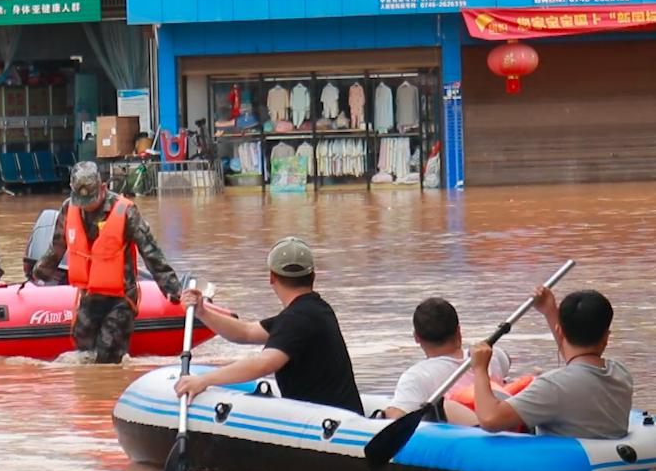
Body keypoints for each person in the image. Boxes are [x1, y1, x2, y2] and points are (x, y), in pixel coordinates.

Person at [175, 237, 363, 414]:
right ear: (313, 276)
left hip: (330, 425)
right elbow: (245, 333)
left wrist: (204, 380)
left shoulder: (297, 319)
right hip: (337, 414)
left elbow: (264, 364)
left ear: (272, 277)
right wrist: (202, 312)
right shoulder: (316, 310)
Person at [32, 161, 183, 364]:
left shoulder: (126, 212)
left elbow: (151, 252)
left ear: (103, 188)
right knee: (83, 350)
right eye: (82, 200)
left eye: (90, 199)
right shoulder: (69, 209)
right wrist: (39, 273)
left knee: (107, 354)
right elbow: (58, 246)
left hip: (120, 298)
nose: (85, 205)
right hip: (88, 296)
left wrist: (172, 288)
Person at [470, 287, 633, 438]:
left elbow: (489, 419)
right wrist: (550, 310)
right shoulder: (620, 372)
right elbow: (578, 359)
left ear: (560, 330)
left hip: (569, 466)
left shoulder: (553, 386)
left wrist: (480, 368)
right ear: (606, 337)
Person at [382, 297, 512, 420]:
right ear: (459, 331)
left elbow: (396, 417)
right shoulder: (492, 355)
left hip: (472, 433)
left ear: (416, 337)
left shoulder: (416, 377)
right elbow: (506, 359)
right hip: (505, 424)